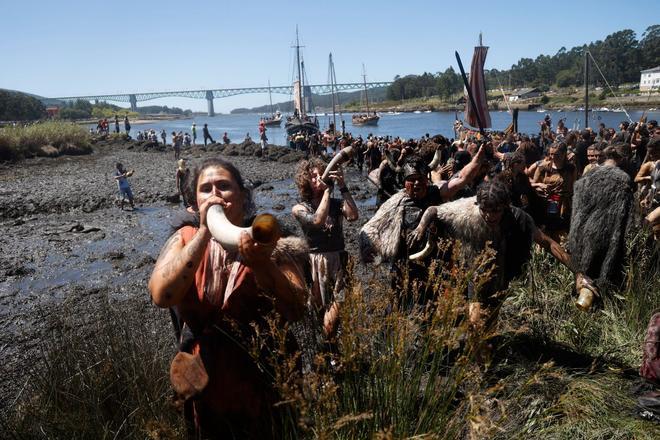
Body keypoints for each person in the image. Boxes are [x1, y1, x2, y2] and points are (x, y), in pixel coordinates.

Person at [148, 157, 307, 438]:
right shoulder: (184, 239)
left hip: (264, 379)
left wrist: (262, 264)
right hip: (205, 382)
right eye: (205, 189)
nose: (215, 195)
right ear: (195, 201)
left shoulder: (270, 241)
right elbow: (162, 294)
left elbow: (297, 309)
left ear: (243, 196)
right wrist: (202, 235)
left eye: (224, 186)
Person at [410, 179, 594, 323]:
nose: (490, 216)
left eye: (496, 210)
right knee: (476, 321)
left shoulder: (519, 218)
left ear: (505, 206)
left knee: (491, 319)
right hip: (476, 271)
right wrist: (421, 228)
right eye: (486, 210)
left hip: (502, 273)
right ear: (478, 205)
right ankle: (479, 364)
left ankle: (487, 357)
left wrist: (578, 271)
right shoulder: (465, 211)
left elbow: (547, 243)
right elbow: (434, 210)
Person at [359, 146, 486, 304]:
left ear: (427, 179)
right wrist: (379, 251)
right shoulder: (395, 203)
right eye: (411, 179)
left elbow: (461, 180)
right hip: (404, 264)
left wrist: (478, 157)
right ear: (405, 182)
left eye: (420, 178)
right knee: (401, 304)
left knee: (432, 305)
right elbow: (372, 229)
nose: (417, 183)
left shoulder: (436, 193)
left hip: (435, 264)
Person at [292, 158, 358, 339]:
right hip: (314, 266)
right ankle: (330, 356)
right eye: (313, 176)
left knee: (333, 320)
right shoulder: (299, 208)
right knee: (319, 317)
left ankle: (331, 353)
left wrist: (343, 185)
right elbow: (316, 221)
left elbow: (353, 216)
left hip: (339, 264)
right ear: (305, 181)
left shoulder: (336, 204)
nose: (319, 178)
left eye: (322, 174)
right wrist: (328, 191)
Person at [568, 143, 635, 293]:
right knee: (603, 270)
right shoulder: (623, 178)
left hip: (582, 228)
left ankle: (579, 296)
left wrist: (574, 231)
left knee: (582, 268)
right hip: (606, 230)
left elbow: (577, 206)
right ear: (623, 159)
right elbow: (624, 213)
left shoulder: (589, 175)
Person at [533, 141, 576, 240]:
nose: (552, 157)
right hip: (548, 202)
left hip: (565, 205)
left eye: (556, 154)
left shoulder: (571, 168)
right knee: (547, 230)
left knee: (562, 232)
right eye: (551, 154)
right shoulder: (544, 167)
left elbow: (574, 186)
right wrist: (539, 184)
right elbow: (531, 184)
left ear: (564, 153)